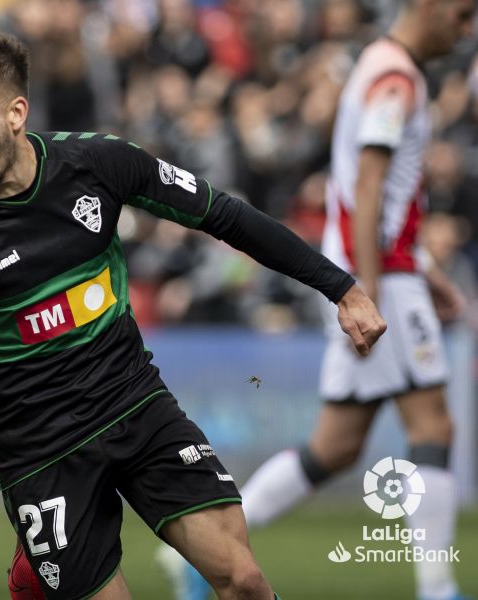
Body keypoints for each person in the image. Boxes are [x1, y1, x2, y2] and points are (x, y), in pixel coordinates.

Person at [0, 33, 385, 600]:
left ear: (15, 113)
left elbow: (222, 215)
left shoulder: (96, 164)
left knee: (245, 581)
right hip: (40, 451)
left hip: (136, 404)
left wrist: (341, 288)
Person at [170, 2, 475, 600]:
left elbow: (373, 195)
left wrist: (427, 266)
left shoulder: (380, 67)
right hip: (379, 275)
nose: (467, 30)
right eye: (462, 15)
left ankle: (202, 559)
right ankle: (438, 589)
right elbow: (366, 189)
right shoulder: (394, 78)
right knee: (433, 425)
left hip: (377, 270)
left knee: (334, 447)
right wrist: (370, 293)